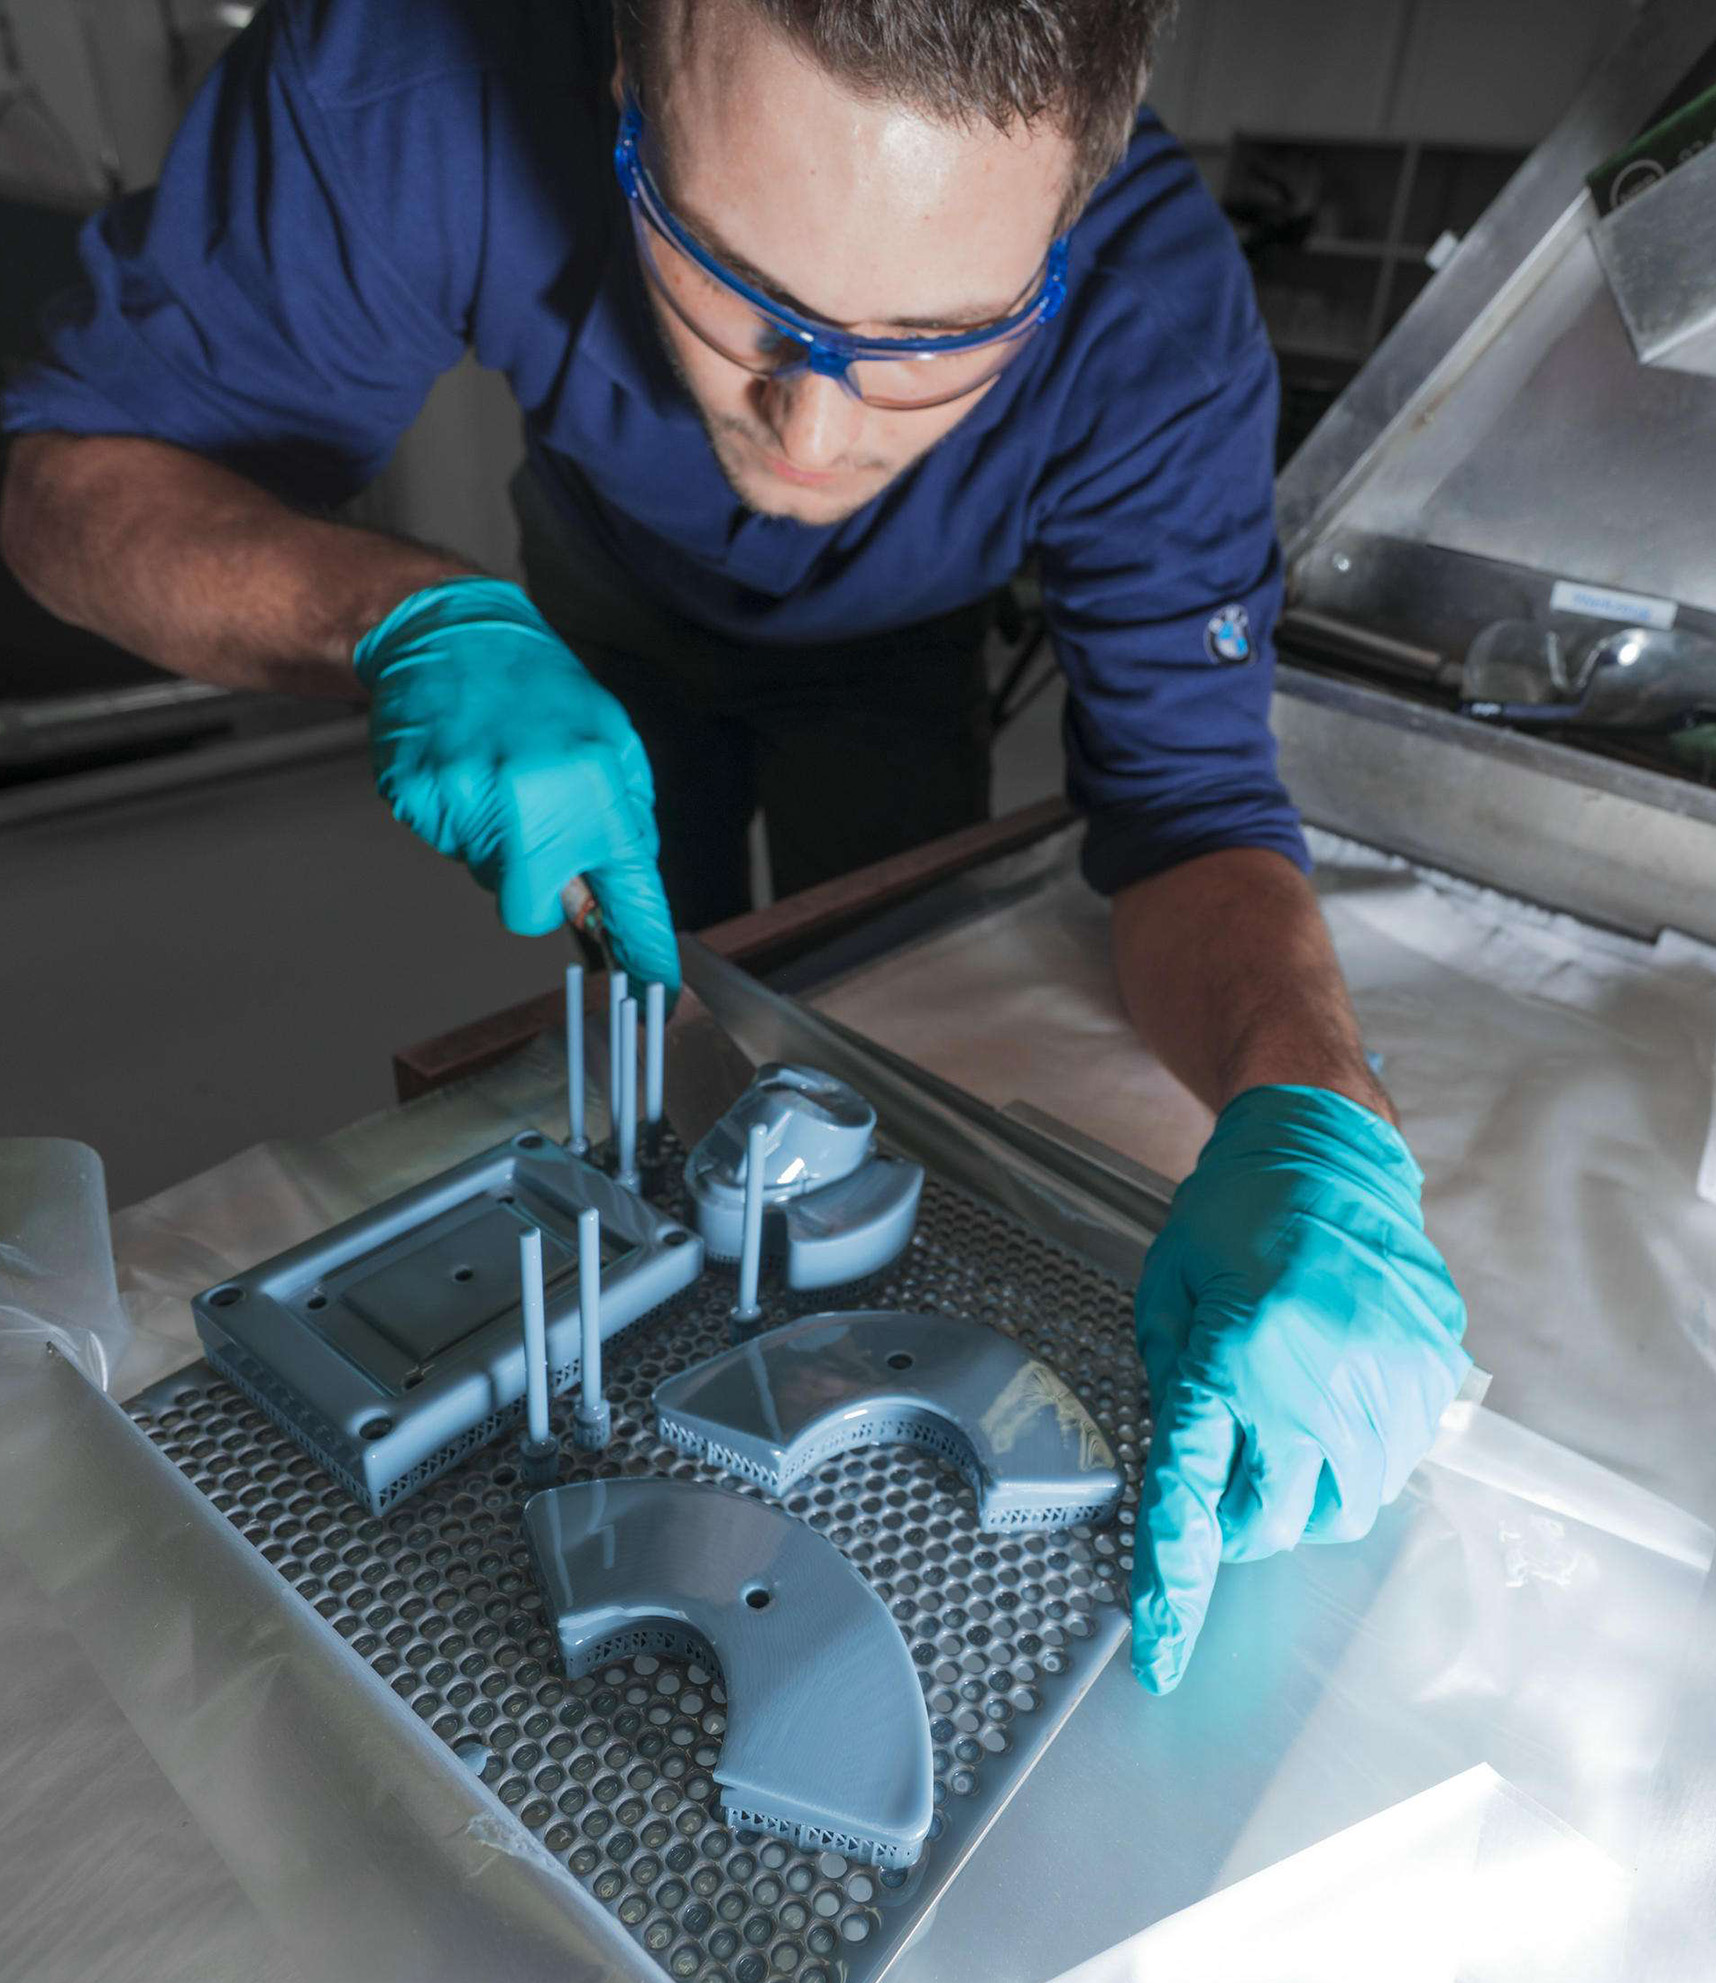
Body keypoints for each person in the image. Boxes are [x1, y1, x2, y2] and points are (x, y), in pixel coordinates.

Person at [0, 0, 1470, 1693]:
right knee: (653, 1011)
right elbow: (67, 481)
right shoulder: (418, 66)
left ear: (1071, 220)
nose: (813, 432)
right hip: (597, 609)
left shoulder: (1159, 311)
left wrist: (1311, 1105)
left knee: (879, 995)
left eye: (936, 337)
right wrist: (391, 614)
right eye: (731, 281)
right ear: (623, 79)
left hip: (904, 653)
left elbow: (1193, 809)